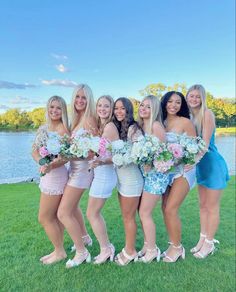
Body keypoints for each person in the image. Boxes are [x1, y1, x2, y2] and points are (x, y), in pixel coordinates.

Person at [186, 84, 229, 259]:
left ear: (202, 98)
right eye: (191, 96)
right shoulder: (190, 117)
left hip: (212, 165)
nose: (194, 99)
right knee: (202, 206)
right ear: (187, 97)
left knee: (212, 207)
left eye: (198, 96)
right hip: (201, 167)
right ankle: (202, 240)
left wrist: (193, 161)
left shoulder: (207, 114)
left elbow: (203, 144)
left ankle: (210, 243)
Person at [57, 84, 98, 268]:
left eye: (84, 98)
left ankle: (82, 252)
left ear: (89, 100)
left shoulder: (89, 119)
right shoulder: (76, 120)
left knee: (63, 213)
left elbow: (93, 152)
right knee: (72, 209)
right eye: (77, 97)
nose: (80, 101)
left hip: (82, 171)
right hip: (73, 169)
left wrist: (68, 155)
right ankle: (85, 238)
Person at [32, 95, 70, 264]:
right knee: (53, 216)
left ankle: (60, 252)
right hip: (46, 174)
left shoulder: (63, 130)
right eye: (52, 107)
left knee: (44, 217)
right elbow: (34, 150)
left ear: (63, 111)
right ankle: (57, 250)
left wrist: (50, 166)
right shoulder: (43, 128)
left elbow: (66, 158)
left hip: (56, 176)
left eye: (58, 108)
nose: (54, 111)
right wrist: (42, 162)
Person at [160, 91, 196, 263]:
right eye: (170, 102)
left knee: (170, 209)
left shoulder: (185, 122)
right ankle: (172, 243)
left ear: (182, 105)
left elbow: (195, 147)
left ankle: (177, 248)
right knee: (164, 208)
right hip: (166, 171)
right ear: (165, 103)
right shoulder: (161, 122)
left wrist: (187, 161)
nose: (173, 105)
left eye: (177, 102)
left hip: (183, 170)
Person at [86, 95, 119, 264]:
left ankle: (106, 248)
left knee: (92, 213)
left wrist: (100, 161)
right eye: (100, 105)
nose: (102, 109)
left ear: (111, 109)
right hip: (100, 174)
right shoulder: (102, 126)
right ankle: (106, 247)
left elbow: (118, 156)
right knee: (93, 213)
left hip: (105, 175)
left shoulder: (110, 127)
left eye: (106, 106)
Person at [137, 95, 170, 263]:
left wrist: (151, 162)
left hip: (156, 176)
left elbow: (164, 155)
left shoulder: (156, 126)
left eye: (148, 107)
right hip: (145, 174)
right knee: (141, 212)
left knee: (145, 212)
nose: (143, 108)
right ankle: (146, 245)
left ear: (155, 109)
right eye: (142, 105)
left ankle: (152, 250)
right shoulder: (141, 126)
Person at [112, 97, 144, 265]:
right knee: (126, 217)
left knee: (128, 218)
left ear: (129, 110)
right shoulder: (118, 128)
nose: (119, 111)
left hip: (132, 180)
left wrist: (120, 158)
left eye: (122, 108)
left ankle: (130, 252)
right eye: (116, 108)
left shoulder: (134, 129)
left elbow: (139, 153)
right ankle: (131, 248)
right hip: (122, 181)